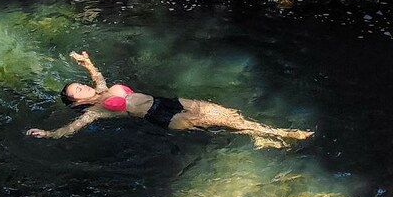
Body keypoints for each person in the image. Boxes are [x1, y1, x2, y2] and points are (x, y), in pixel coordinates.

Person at [27, 51, 313, 146]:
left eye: (80, 85)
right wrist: (49, 133)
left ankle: (259, 133)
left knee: (223, 113)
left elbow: (96, 75)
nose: (84, 88)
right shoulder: (95, 111)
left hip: (166, 100)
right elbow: (71, 129)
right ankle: (279, 133)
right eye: (78, 91)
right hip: (162, 117)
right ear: (76, 103)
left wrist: (85, 62)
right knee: (218, 124)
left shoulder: (101, 89)